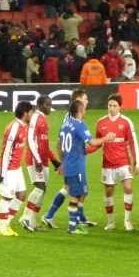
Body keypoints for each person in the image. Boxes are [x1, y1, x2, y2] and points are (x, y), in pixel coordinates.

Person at [50, 100, 115, 235]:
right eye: (84, 109)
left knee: (80, 193)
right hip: (76, 166)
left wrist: (64, 162)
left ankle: (74, 225)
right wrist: (107, 138)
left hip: (69, 165)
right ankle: (73, 227)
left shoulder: (66, 124)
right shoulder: (79, 125)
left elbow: (59, 144)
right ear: (80, 111)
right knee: (76, 195)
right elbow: (92, 142)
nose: (85, 112)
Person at [88, 94, 139, 231]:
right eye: (109, 105)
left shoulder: (126, 122)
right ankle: (110, 222)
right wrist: (85, 150)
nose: (111, 108)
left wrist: (137, 162)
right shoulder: (101, 122)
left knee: (128, 187)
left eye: (114, 106)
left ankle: (127, 220)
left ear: (120, 107)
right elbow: (98, 143)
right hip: (108, 163)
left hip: (123, 162)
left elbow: (133, 143)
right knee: (109, 191)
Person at [0, 101, 36, 236]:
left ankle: (7, 225)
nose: (32, 114)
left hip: (16, 168)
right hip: (7, 169)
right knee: (7, 198)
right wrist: (2, 172)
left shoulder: (25, 126)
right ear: (25, 113)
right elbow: (6, 151)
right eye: (31, 112)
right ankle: (1, 229)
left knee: (21, 195)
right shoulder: (13, 128)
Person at [20, 96, 60, 232]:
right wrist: (37, 159)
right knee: (40, 187)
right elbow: (30, 139)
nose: (50, 108)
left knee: (43, 189)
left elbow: (45, 144)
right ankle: (25, 217)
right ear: (40, 105)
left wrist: (54, 160)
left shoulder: (43, 120)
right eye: (48, 105)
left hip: (43, 160)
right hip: (34, 159)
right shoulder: (36, 117)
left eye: (51, 105)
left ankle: (33, 221)